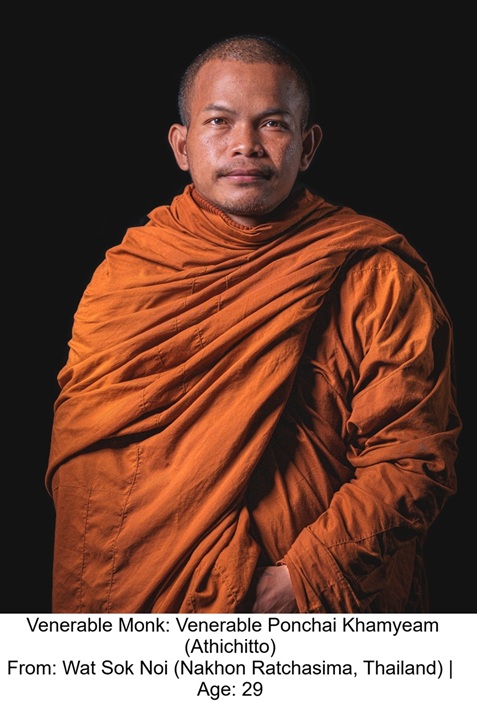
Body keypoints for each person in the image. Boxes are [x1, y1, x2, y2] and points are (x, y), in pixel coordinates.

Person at [46, 33, 461, 614]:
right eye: (219, 121)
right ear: (182, 145)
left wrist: (300, 578)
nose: (246, 145)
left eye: (272, 124)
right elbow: (90, 466)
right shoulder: (129, 274)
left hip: (303, 615)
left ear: (307, 146)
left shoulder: (376, 278)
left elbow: (413, 459)